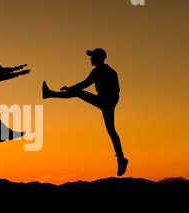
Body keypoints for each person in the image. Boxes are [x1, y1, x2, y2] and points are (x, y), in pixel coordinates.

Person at [42, 48, 129, 176]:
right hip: (103, 101)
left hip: (107, 101)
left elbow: (116, 90)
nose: (90, 59)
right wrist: (71, 88)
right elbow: (85, 83)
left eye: (92, 56)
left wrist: (108, 102)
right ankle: (121, 158)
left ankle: (50, 94)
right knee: (111, 130)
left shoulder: (109, 72)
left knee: (110, 129)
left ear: (99, 58)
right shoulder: (96, 71)